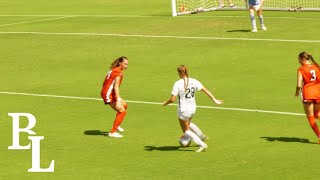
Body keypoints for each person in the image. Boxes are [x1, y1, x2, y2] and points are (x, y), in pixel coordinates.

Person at [163, 65, 224, 152]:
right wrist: (214, 99)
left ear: (179, 73)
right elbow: (205, 90)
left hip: (183, 110)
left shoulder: (177, 83)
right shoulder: (194, 81)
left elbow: (172, 99)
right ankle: (201, 136)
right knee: (188, 123)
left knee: (186, 130)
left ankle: (202, 144)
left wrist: (166, 102)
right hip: (193, 108)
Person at [295, 52, 320, 143]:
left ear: (303, 59)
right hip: (318, 93)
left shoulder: (301, 69)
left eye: (299, 59)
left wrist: (297, 92)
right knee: (317, 114)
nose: (298, 61)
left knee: (311, 117)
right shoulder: (316, 66)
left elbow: (298, 84)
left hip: (308, 94)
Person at [101, 56, 129, 138]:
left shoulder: (114, 69)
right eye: (125, 64)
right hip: (108, 94)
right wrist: (117, 99)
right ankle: (112, 132)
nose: (126, 66)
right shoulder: (118, 73)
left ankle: (117, 125)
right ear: (120, 63)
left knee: (124, 105)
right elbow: (116, 86)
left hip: (109, 92)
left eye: (127, 64)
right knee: (122, 112)